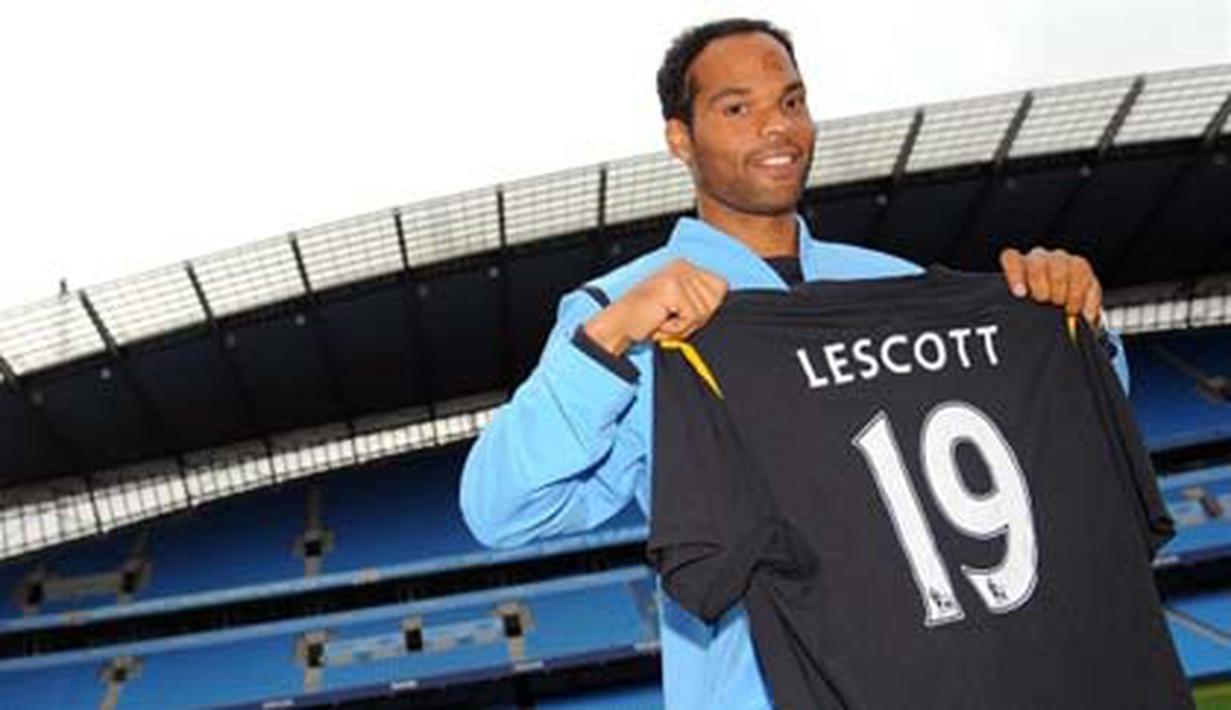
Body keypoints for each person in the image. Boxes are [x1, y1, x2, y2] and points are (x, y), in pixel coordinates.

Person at [460, 18, 1126, 709]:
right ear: (679, 138)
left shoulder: (891, 284)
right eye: (736, 108)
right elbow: (498, 510)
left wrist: (1070, 316)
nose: (776, 127)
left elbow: (1063, 426)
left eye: (790, 101)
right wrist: (608, 340)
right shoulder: (621, 310)